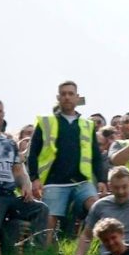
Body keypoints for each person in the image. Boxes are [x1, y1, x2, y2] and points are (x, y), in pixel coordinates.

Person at [27, 81, 108, 246]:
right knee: (49, 220)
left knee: (97, 208)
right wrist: (34, 178)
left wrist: (101, 180)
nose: (67, 97)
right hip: (54, 181)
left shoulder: (87, 124)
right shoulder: (45, 122)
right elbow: (32, 152)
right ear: (58, 97)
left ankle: (99, 249)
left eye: (71, 94)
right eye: (63, 94)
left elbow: (96, 156)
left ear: (77, 98)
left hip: (82, 181)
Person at [0, 98, 49, 255]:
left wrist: (25, 185)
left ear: (3, 114)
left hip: (10, 196)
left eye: (0, 111)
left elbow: (17, 171)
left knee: (41, 209)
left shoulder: (10, 143)